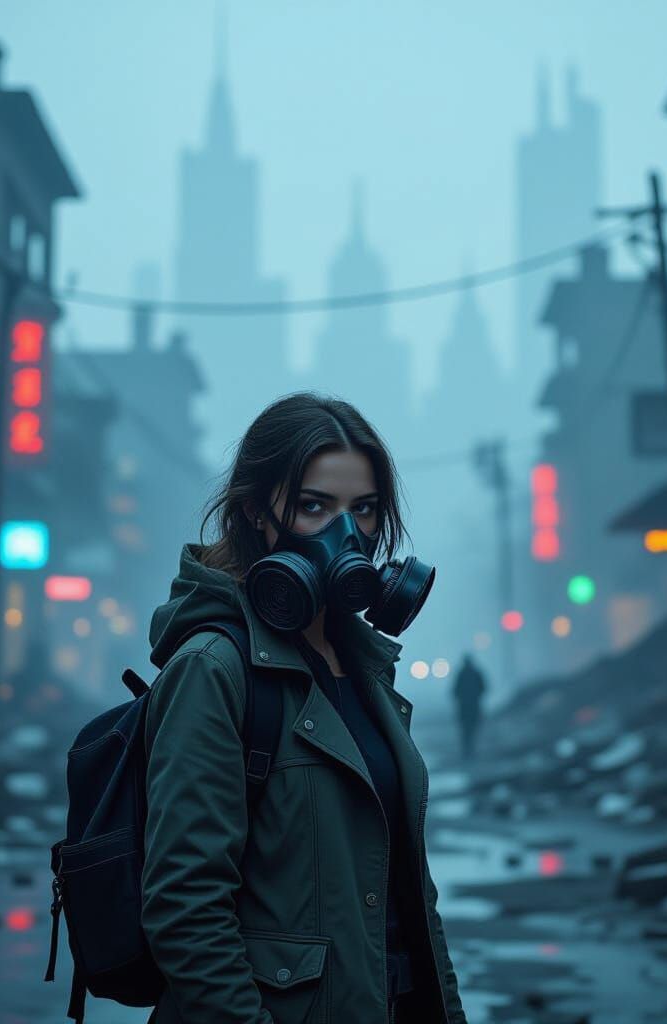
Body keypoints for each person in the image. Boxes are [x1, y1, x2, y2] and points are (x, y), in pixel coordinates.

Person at [142, 393, 468, 1024]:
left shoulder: (366, 666)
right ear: (258, 513)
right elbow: (186, 909)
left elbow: (408, 898)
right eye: (314, 506)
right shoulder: (214, 669)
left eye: (364, 510)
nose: (347, 534)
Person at [451, 654, 487, 760]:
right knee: (472, 727)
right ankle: (470, 749)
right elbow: (484, 688)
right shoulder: (476, 673)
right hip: (473, 706)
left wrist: (461, 698)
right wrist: (476, 696)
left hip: (464, 707)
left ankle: (467, 750)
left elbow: (454, 691)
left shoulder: (461, 674)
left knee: (465, 729)